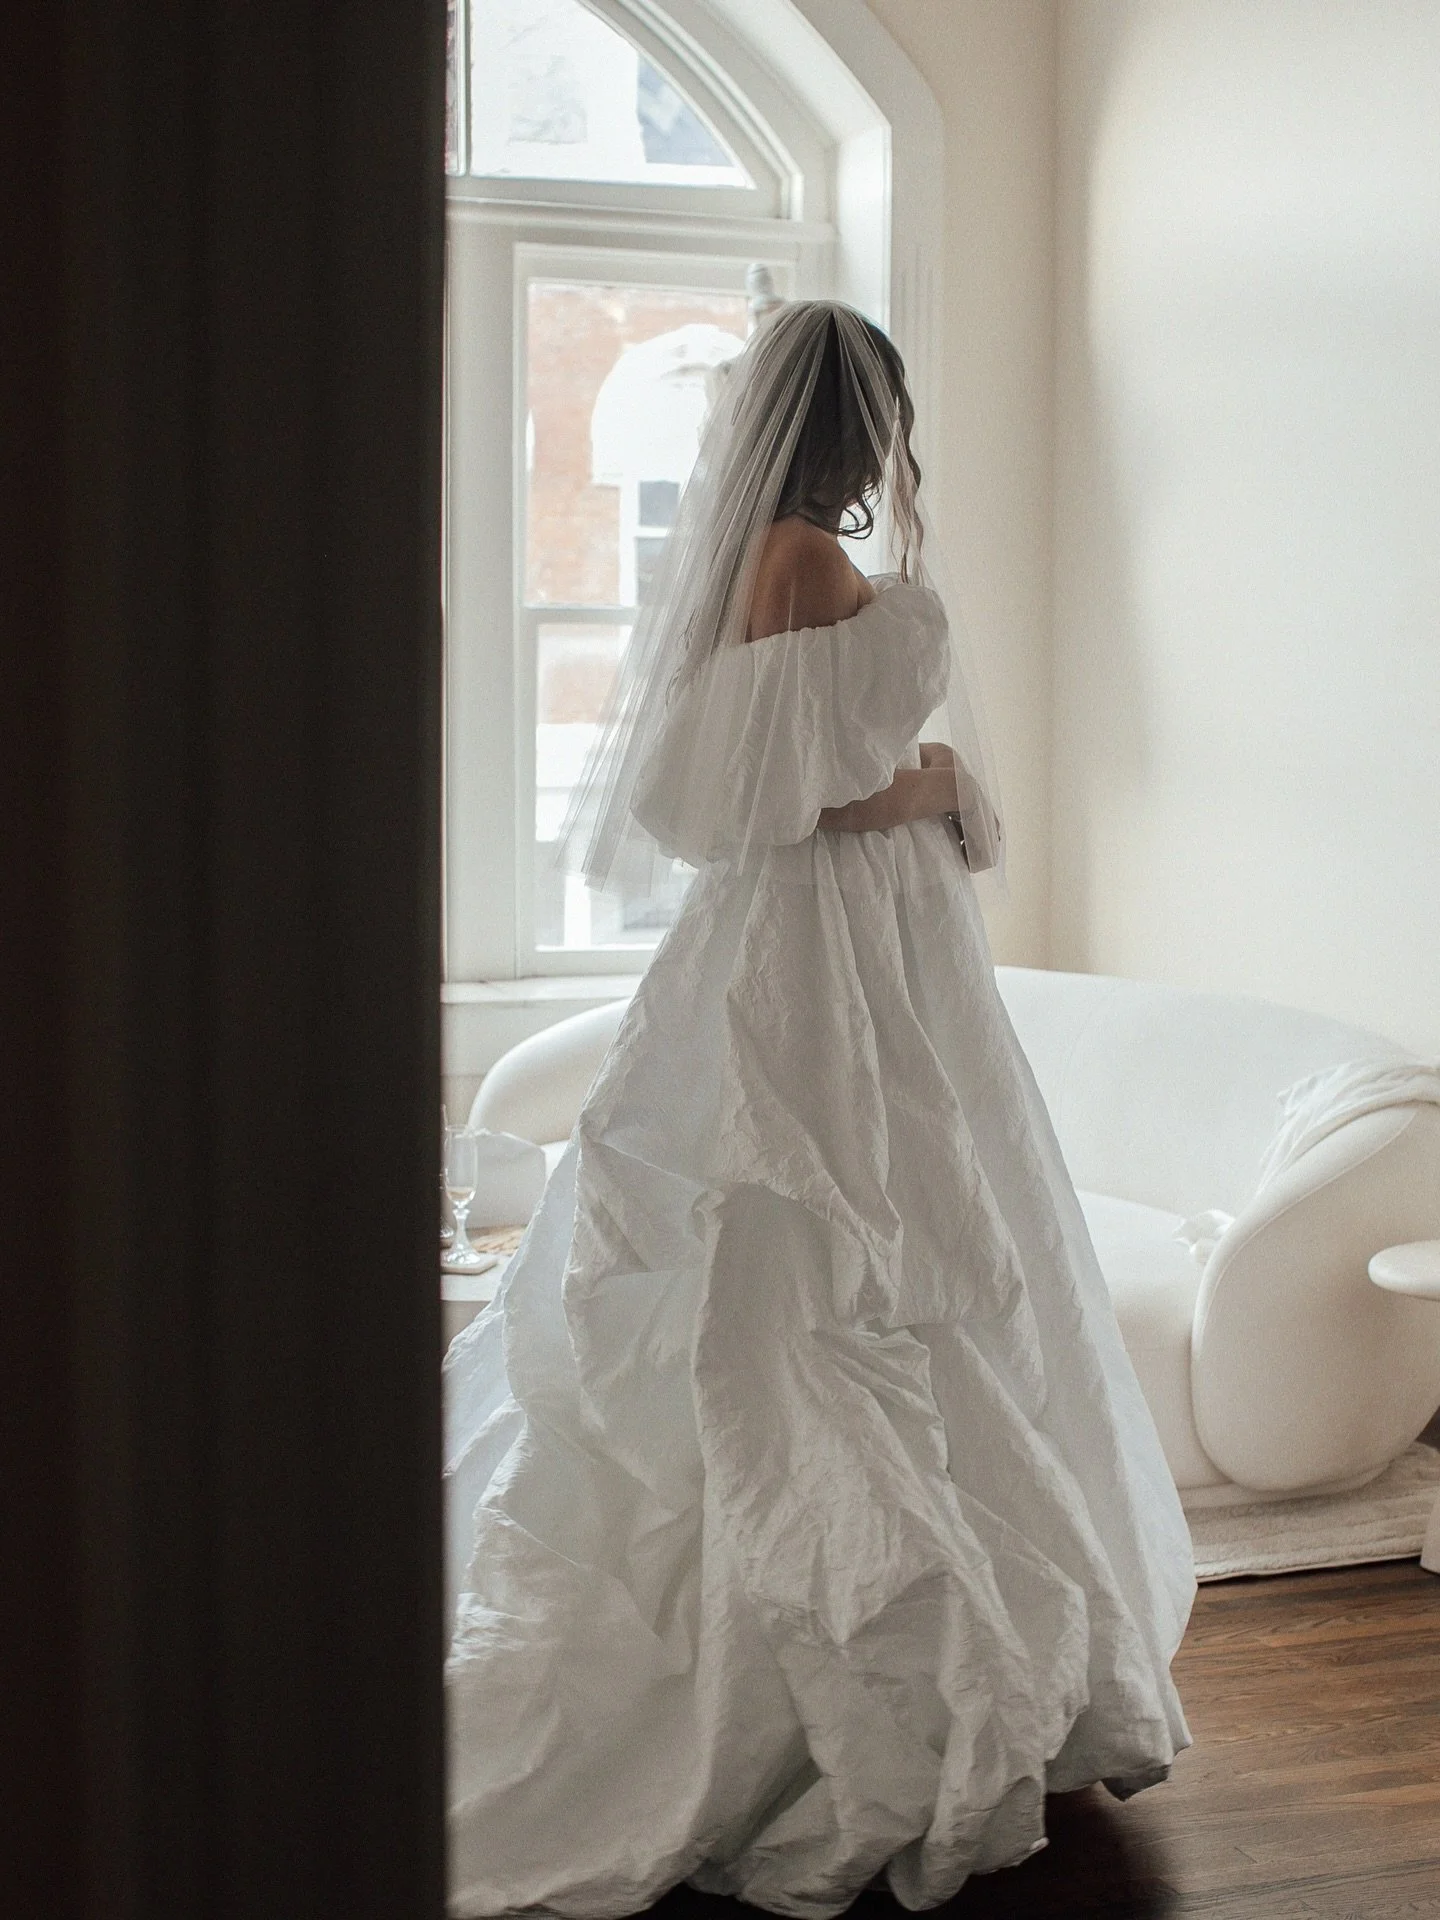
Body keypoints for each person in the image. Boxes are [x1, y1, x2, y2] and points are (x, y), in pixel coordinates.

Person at [444, 301, 1195, 1919]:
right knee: (816, 1249)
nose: (879, 446)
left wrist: (918, 779)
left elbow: (769, 759)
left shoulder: (778, 559)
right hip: (821, 946)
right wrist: (925, 784)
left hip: (889, 945)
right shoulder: (789, 555)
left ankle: (1003, 1641)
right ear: (849, 427)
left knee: (934, 1246)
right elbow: (754, 804)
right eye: (875, 417)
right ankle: (820, 1696)